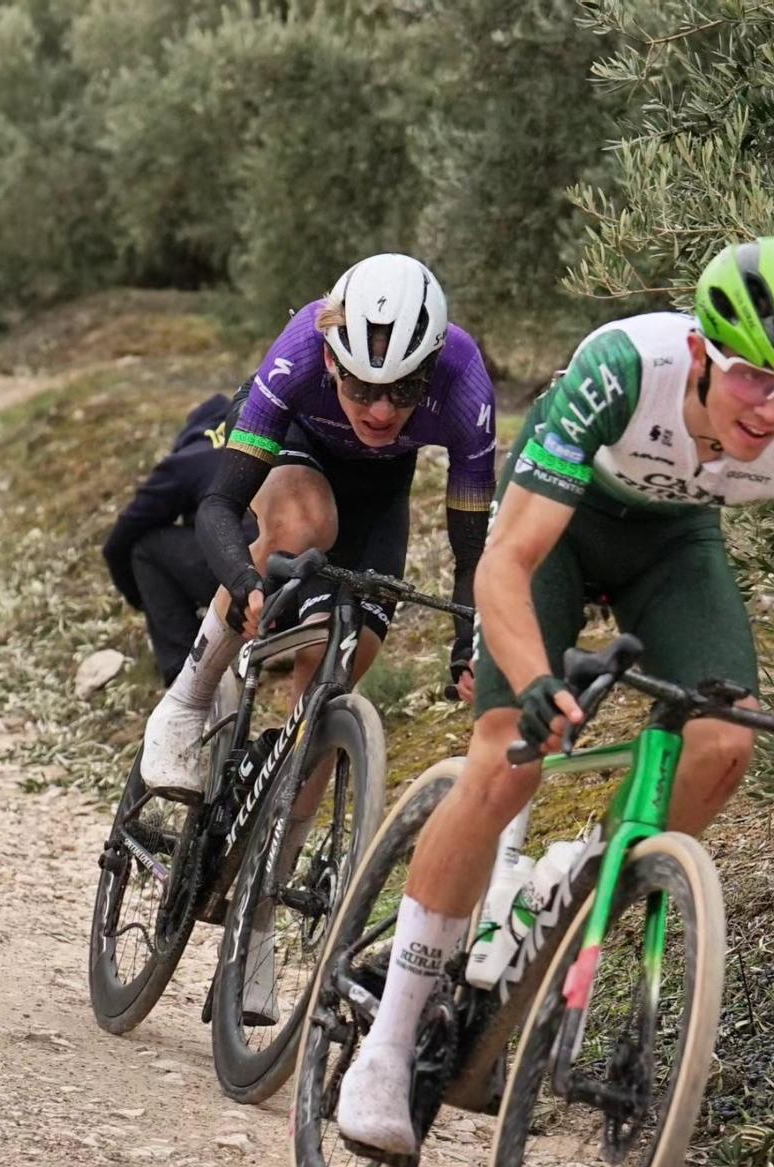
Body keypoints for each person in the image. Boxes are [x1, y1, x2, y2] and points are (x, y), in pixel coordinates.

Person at [336, 237, 774, 1156]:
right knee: (508, 759)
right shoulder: (625, 367)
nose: (773, 408)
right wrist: (535, 684)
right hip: (559, 528)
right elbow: (506, 564)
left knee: (724, 744)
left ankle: (582, 874)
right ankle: (390, 1038)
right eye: (753, 377)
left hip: (674, 544)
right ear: (701, 352)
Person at [139, 252, 496, 794]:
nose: (381, 411)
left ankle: (284, 837)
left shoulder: (465, 386)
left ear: (430, 368)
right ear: (332, 361)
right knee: (306, 521)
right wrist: (242, 578)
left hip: (379, 482)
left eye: (404, 390)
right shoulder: (303, 350)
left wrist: (469, 644)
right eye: (361, 388)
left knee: (339, 665)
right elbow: (219, 505)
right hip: (293, 439)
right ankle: (186, 701)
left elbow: (473, 555)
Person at [102, 394, 231, 685]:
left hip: (245, 579)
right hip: (307, 577)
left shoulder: (189, 460)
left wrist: (145, 601)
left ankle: (185, 675)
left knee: (146, 549)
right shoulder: (271, 436)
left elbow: (119, 543)